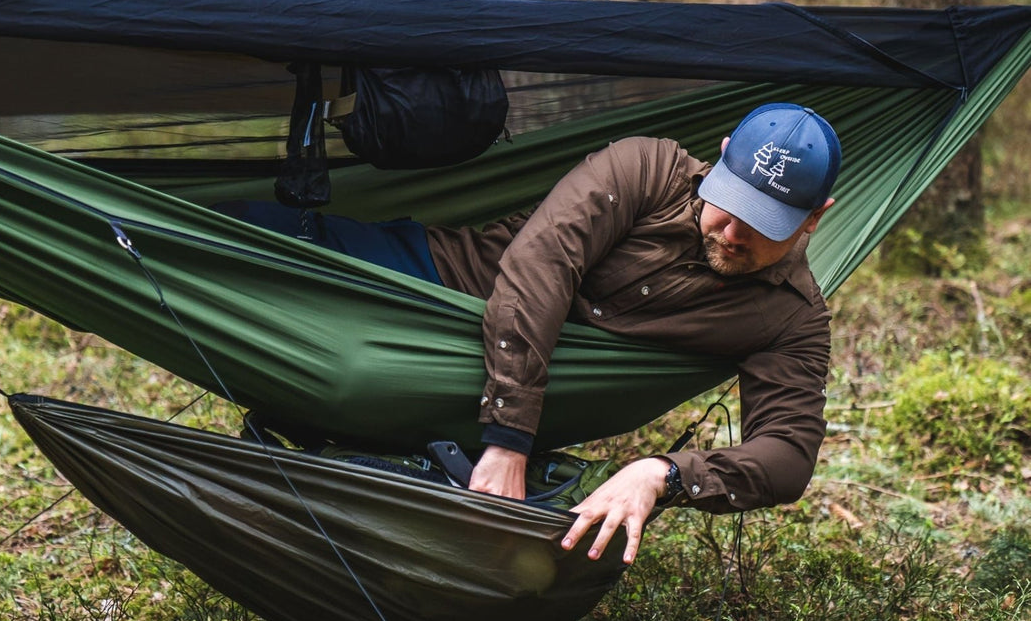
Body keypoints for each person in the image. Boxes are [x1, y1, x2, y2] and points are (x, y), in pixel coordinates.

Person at [221, 102, 840, 566]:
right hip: (425, 284)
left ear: (815, 218)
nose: (733, 234)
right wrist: (510, 439)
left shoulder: (790, 317)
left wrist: (664, 472)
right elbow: (539, 266)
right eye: (731, 203)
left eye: (765, 223)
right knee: (212, 238)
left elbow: (787, 456)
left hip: (446, 393)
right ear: (724, 153)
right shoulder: (645, 168)